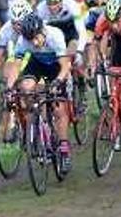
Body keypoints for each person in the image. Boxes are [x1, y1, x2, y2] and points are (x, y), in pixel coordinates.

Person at [8, 13, 74, 174]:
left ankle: (64, 149)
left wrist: (58, 82)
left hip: (56, 66)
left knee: (59, 109)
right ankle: (37, 121)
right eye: (31, 40)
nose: (35, 43)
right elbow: (16, 66)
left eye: (37, 38)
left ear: (43, 31)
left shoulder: (55, 36)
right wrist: (9, 88)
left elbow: (65, 66)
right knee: (25, 87)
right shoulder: (24, 40)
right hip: (37, 63)